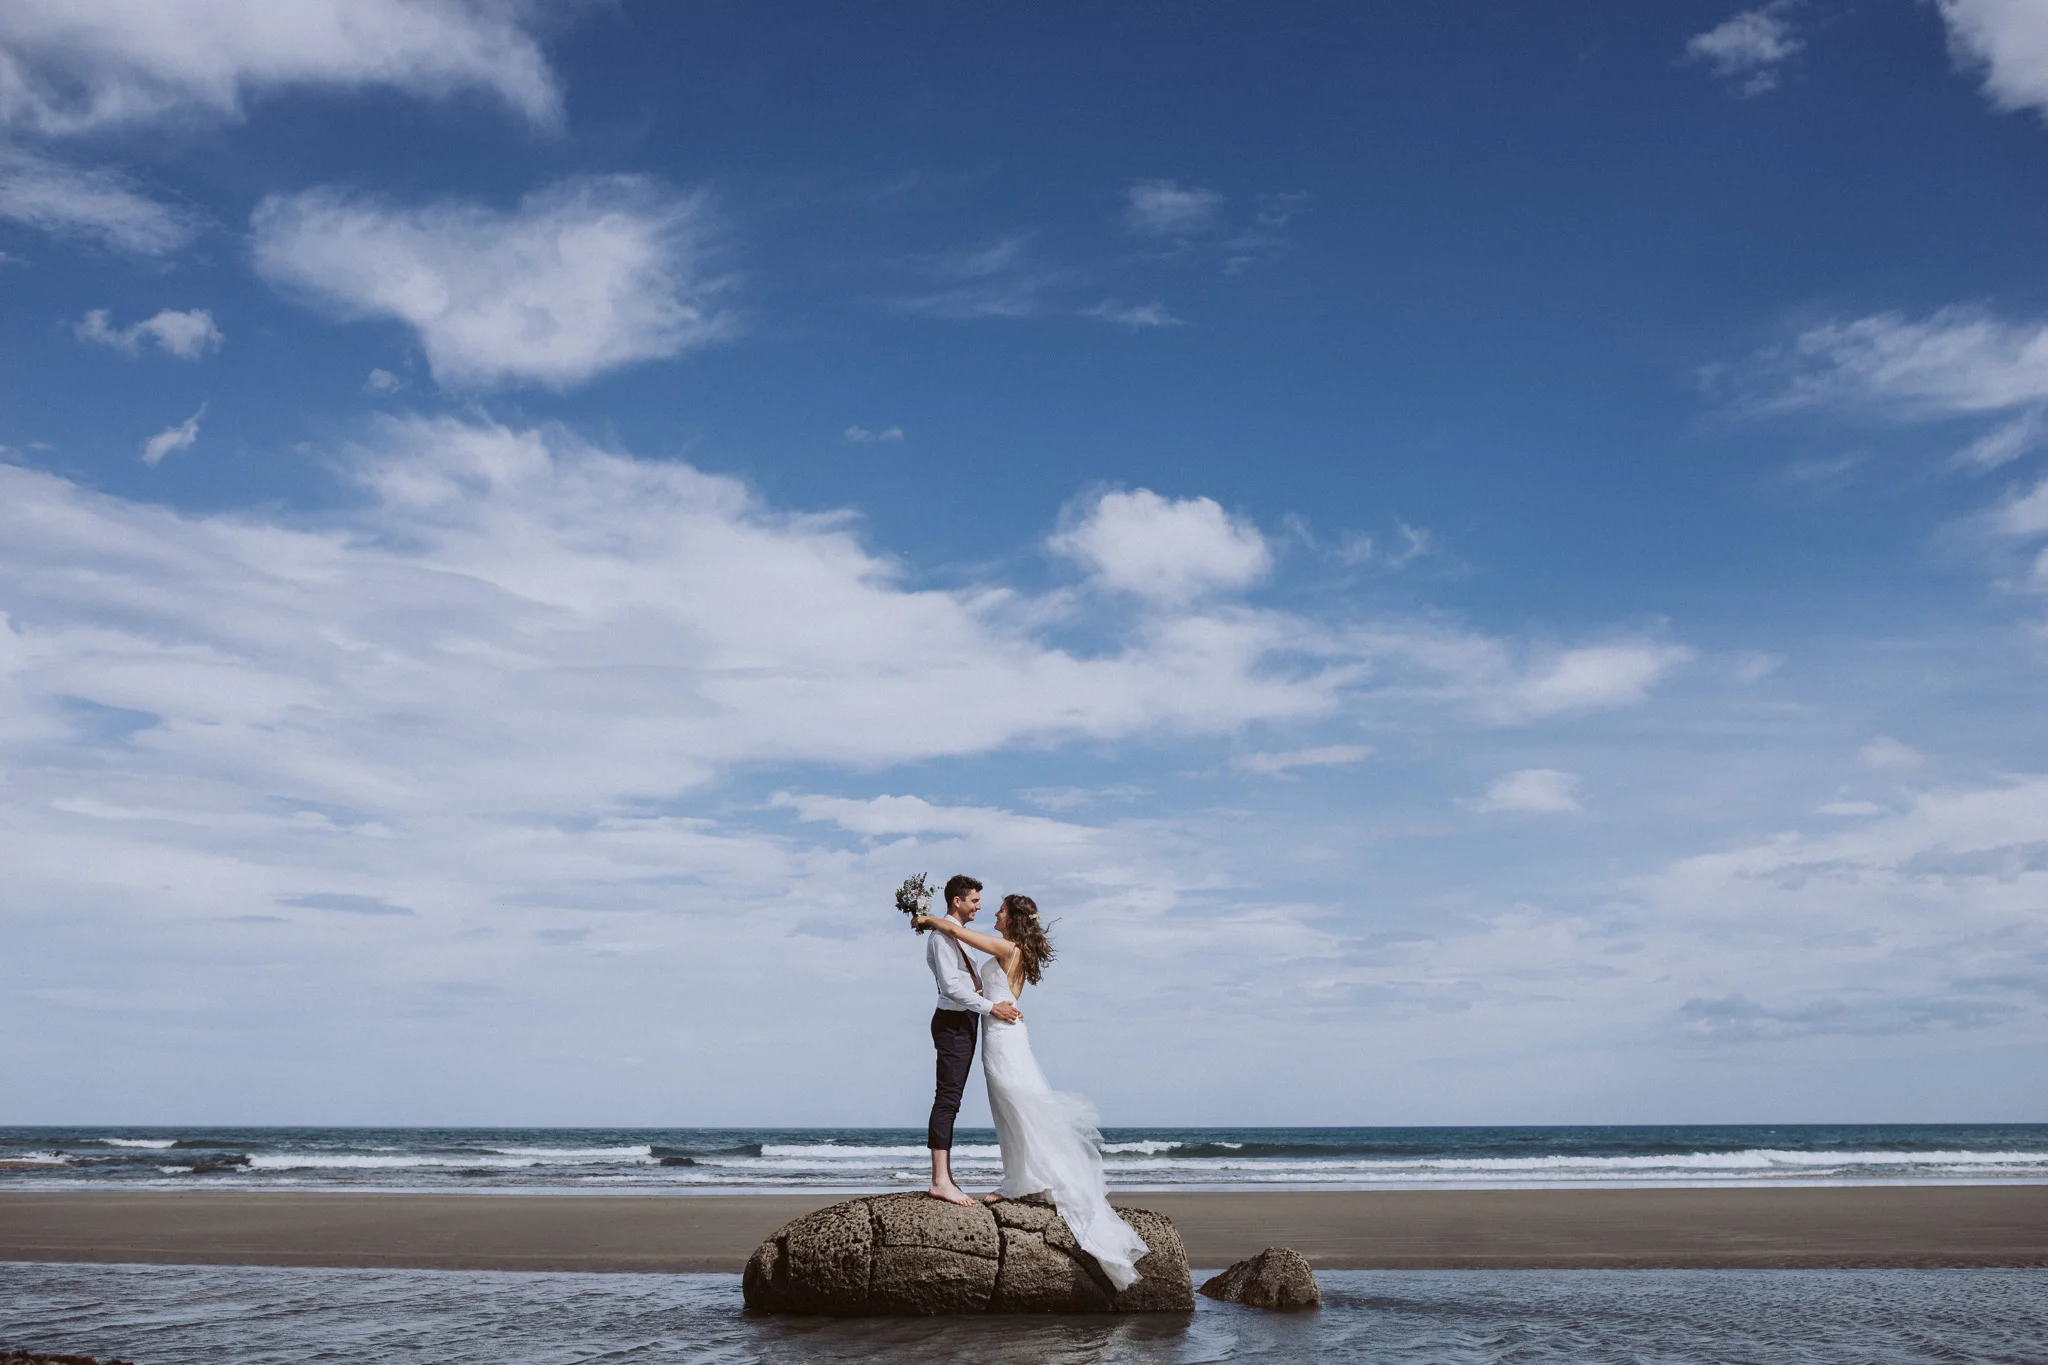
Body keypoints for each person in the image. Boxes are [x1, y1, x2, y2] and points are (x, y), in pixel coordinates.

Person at [916, 893, 1150, 1290]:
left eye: (1000, 910)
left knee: (1019, 1103)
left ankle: (1031, 1180)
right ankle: (1020, 1178)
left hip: (1004, 1038)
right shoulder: (1010, 949)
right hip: (999, 1034)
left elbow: (960, 934)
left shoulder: (1008, 948)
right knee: (1008, 1108)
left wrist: (926, 918)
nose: (994, 913)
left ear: (1012, 919)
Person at [922, 874, 1021, 1207]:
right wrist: (992, 1007)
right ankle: (939, 1181)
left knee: (953, 1098)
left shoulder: (959, 935)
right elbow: (953, 988)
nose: (979, 906)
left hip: (965, 1020)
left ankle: (945, 1178)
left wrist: (996, 1004)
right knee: (948, 1098)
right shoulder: (942, 937)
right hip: (952, 1022)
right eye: (975, 900)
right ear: (958, 901)